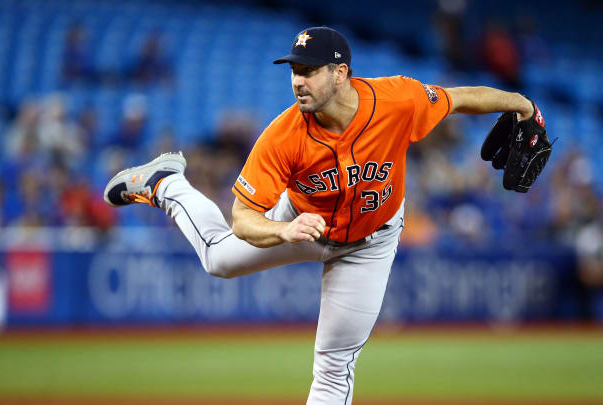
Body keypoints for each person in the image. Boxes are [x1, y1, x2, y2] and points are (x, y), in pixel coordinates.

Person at [103, 27, 537, 405]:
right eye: (294, 70)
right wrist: (282, 228)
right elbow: (241, 218)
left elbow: (460, 98)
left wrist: (520, 103)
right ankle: (165, 184)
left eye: (309, 70)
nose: (298, 81)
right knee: (218, 258)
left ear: (341, 72)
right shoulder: (282, 136)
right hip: (302, 223)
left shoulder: (397, 101)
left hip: (371, 242)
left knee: (333, 370)